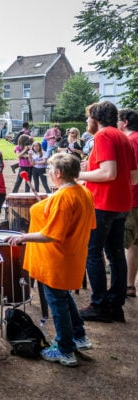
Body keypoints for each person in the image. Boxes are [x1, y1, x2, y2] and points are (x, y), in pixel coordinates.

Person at [7, 153, 96, 366]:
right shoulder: (83, 191)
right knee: (64, 297)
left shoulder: (65, 198)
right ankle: (79, 336)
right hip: (71, 256)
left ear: (58, 173)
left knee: (57, 302)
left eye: (49, 170)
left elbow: (52, 235)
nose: (47, 173)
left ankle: (65, 350)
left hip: (56, 259)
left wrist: (23, 237)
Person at [78, 101, 138, 323]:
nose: (86, 122)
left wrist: (79, 175)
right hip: (122, 204)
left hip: (103, 204)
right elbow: (133, 176)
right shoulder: (123, 136)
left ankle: (100, 305)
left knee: (92, 253)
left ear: (96, 118)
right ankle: (115, 305)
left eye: (88, 118)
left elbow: (108, 173)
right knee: (115, 255)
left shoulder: (103, 136)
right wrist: (92, 170)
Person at [118, 108, 138, 298]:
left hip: (133, 199)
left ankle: (122, 286)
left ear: (124, 122)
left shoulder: (131, 141)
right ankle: (129, 285)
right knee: (134, 245)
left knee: (122, 244)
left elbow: (133, 176)